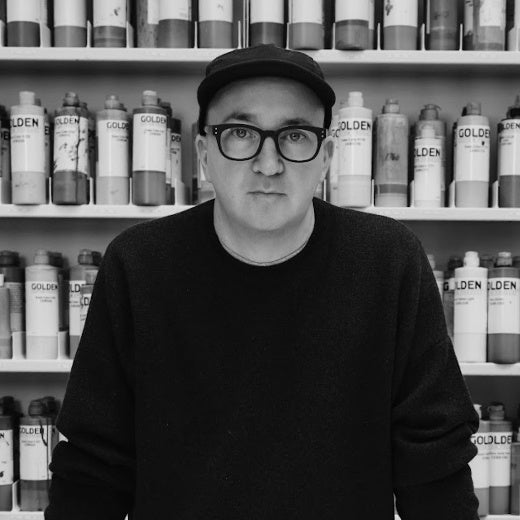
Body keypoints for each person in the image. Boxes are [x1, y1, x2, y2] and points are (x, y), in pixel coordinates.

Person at [45, 45, 479, 520]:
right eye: (240, 132)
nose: (268, 164)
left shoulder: (390, 262)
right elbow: (91, 476)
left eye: (294, 135)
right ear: (204, 153)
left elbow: (436, 473)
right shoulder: (138, 265)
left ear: (326, 156)